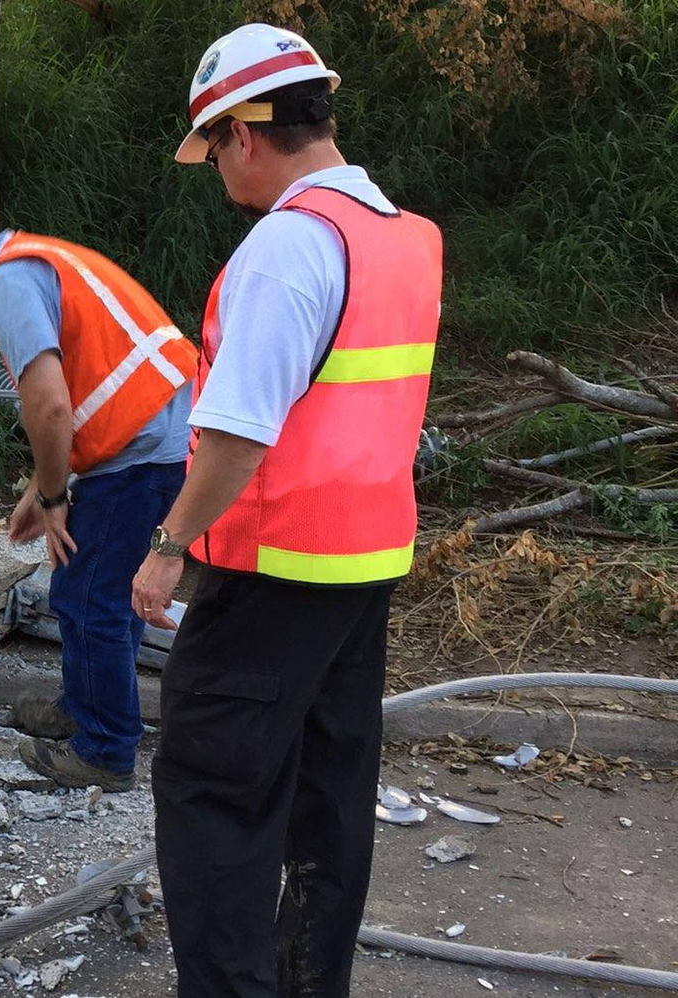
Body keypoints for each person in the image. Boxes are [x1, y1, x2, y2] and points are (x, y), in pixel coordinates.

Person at [130, 23, 443, 998]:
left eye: (214, 149)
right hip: (363, 567)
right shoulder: (406, 236)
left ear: (243, 132)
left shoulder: (290, 246)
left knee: (215, 796)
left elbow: (237, 435)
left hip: (271, 571)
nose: (220, 173)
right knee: (326, 800)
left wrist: (168, 544)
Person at [0, 206, 197, 791]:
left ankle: (105, 750)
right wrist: (42, 486)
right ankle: (87, 705)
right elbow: (78, 391)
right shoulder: (35, 259)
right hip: (157, 437)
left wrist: (56, 495)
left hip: (137, 453)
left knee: (88, 599)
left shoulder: (6, 285)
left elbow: (51, 405)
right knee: (101, 592)